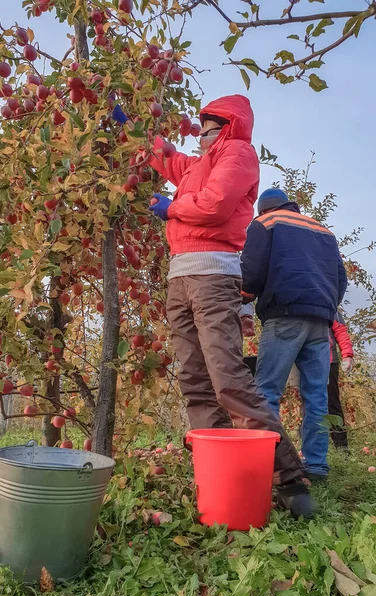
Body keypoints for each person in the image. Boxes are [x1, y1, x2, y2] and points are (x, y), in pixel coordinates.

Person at [118, 95, 319, 518]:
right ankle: (221, 473)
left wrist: (172, 207)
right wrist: (129, 126)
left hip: (213, 275)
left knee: (227, 376)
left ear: (223, 127)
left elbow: (215, 205)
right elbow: (166, 157)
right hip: (180, 276)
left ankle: (289, 478)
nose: (201, 135)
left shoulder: (239, 153)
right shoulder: (195, 164)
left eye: (207, 128)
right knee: (193, 377)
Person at [241, 188, 348, 482]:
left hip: (285, 314)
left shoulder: (265, 224)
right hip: (320, 321)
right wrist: (326, 307)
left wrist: (243, 298)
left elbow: (251, 271)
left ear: (263, 209)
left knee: (266, 393)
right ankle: (316, 466)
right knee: (316, 395)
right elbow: (341, 277)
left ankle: (271, 464)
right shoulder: (322, 230)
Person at [328, 311, 354, 449]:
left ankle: (341, 446)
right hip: (304, 361)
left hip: (328, 361)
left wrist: (347, 355)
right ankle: (313, 447)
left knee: (332, 403)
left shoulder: (330, 304)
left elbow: (340, 330)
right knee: (307, 403)